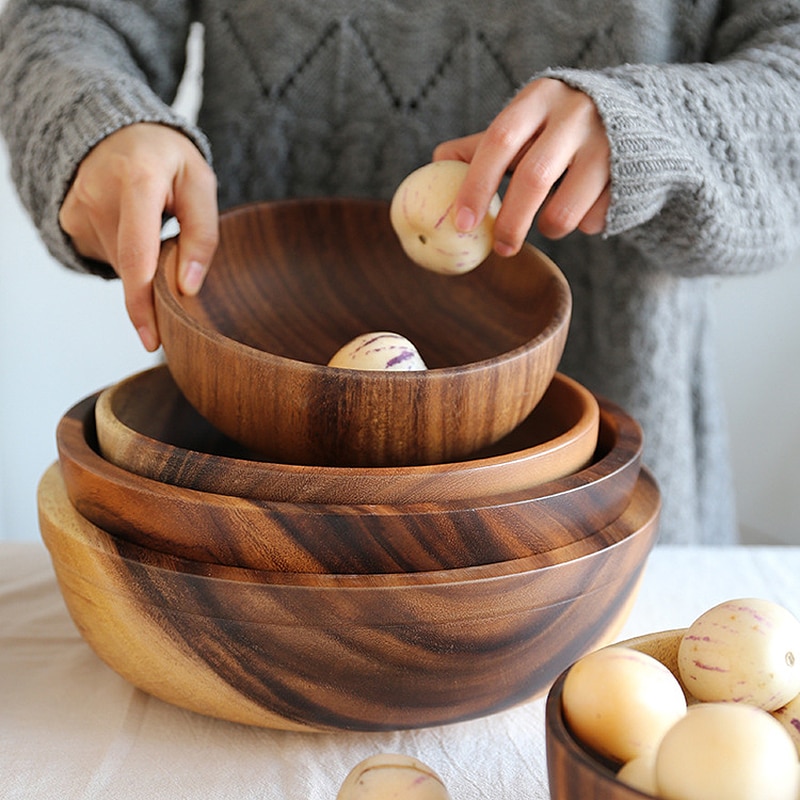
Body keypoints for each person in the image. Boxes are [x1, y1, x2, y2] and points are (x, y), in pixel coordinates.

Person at [1, 1, 799, 546]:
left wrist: (660, 126)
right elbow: (73, 18)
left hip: (602, 513)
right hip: (258, 489)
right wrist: (95, 122)